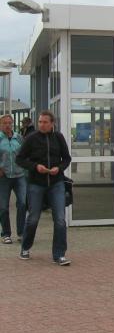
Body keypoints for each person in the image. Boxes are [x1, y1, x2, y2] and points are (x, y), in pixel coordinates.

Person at [15, 110, 72, 265]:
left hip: (56, 183)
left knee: (60, 220)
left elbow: (67, 159)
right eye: (40, 122)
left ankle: (59, 255)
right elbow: (19, 159)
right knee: (33, 218)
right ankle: (25, 247)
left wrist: (59, 168)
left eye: (45, 122)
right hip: (36, 183)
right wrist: (35, 166)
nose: (42, 125)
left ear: (52, 123)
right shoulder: (31, 138)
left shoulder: (58, 137)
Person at [0, 114, 27, 244]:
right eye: (5, 123)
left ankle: (21, 233)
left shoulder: (19, 138)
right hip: (4, 177)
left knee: (22, 203)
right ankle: (6, 234)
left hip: (19, 175)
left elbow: (25, 154)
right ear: (0, 125)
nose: (7, 125)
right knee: (3, 207)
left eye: (10, 123)